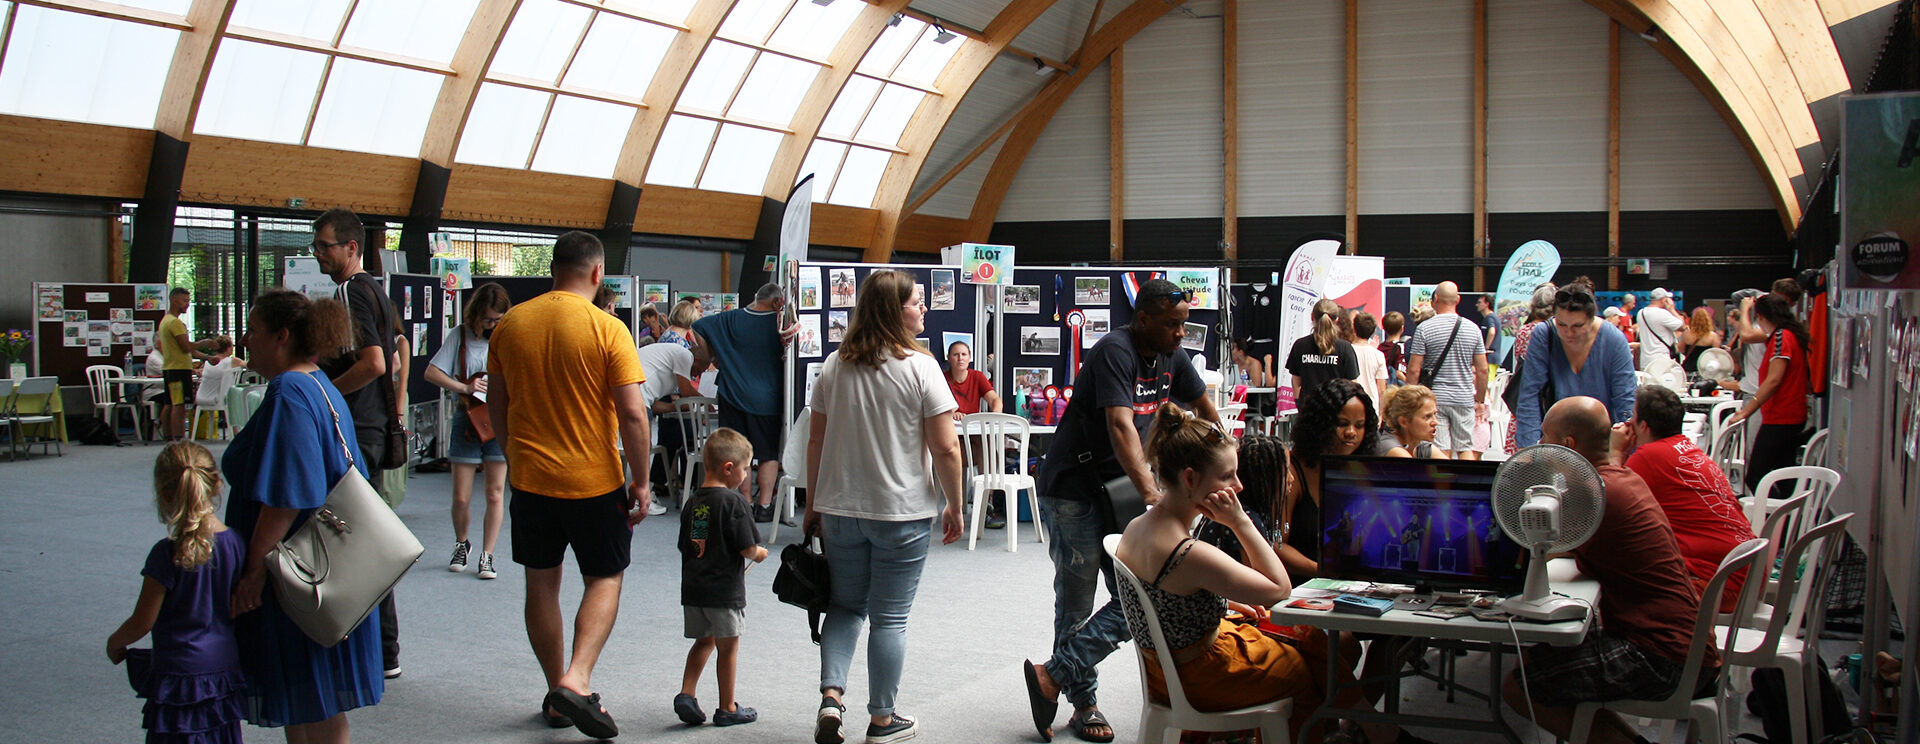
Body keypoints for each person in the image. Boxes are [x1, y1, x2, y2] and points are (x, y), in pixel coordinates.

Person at [1114, 403, 1429, 744]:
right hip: (1200, 675)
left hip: (1167, 668)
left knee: (1312, 640)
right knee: (1313, 668)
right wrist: (1241, 522)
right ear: (1190, 478)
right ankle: (1368, 730)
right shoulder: (1190, 553)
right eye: (1227, 477)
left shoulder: (1138, 526)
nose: (1238, 486)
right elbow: (1280, 589)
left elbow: (1170, 600)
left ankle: (1370, 727)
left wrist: (1228, 603)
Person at [1024, 278, 1216, 744]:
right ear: (1143, 318)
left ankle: (1054, 674)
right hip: (1074, 490)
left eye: (1183, 325)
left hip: (1117, 490)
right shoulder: (1115, 350)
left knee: (1139, 596)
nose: (1179, 333)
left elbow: (1203, 406)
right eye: (1171, 325)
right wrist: (1153, 495)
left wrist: (1225, 457)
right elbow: (1120, 424)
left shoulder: (1173, 354)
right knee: (1077, 601)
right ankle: (1083, 703)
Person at [486, 231, 653, 741]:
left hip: (531, 479)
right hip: (593, 480)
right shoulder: (608, 328)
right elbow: (631, 413)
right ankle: (576, 679)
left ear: (553, 270)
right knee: (605, 577)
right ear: (598, 273)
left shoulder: (511, 324)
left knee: (542, 584)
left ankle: (555, 696)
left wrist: (513, 453)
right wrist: (642, 481)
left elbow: (497, 404)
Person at [804, 269, 965, 744]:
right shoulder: (921, 367)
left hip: (839, 509)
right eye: (917, 302)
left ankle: (831, 699)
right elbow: (947, 448)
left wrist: (812, 504)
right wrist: (955, 504)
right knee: (890, 618)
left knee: (845, 606)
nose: (924, 309)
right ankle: (881, 719)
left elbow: (815, 441)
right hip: (901, 514)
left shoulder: (835, 365)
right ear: (895, 311)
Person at [1502, 397, 1712, 744]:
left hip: (1661, 657)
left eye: (1544, 438)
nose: (1539, 446)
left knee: (1522, 684)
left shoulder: (1594, 497)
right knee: (1546, 662)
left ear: (1567, 445)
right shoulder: (1618, 478)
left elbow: (1531, 554)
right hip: (1683, 645)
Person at [224, 288, 383, 741]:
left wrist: (253, 571)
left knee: (309, 691)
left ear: (282, 336)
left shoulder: (290, 391)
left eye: (252, 331)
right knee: (311, 700)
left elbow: (287, 495)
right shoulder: (317, 383)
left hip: (298, 567)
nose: (246, 340)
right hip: (318, 564)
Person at [309, 207, 402, 677]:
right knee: (360, 535)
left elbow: (376, 363)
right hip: (373, 425)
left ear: (351, 247)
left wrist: (325, 394)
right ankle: (381, 650)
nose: (319, 254)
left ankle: (380, 650)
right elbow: (397, 356)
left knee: (355, 539)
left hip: (360, 430)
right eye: (315, 246)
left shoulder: (352, 291)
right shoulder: (376, 290)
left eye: (325, 246)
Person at [106, 441, 246, 744]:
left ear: (164, 494)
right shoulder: (236, 544)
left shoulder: (166, 554)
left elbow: (142, 621)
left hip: (178, 675)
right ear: (216, 484)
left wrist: (115, 642)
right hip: (222, 670)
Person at [1613, 385, 1755, 612]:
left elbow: (1610, 503)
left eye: (1633, 417)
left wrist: (1614, 453)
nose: (1628, 424)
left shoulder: (1649, 455)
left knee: (1617, 584)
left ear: (1644, 426)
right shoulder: (1687, 448)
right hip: (1744, 575)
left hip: (1721, 584)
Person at [674, 428, 769, 727]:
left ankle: (686, 694)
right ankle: (727, 707)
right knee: (728, 649)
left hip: (694, 590)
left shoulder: (693, 503)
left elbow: (686, 545)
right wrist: (759, 553)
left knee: (704, 641)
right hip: (724, 593)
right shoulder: (734, 502)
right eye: (746, 469)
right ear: (729, 468)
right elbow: (746, 547)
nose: (746, 475)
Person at [425, 282, 512, 580]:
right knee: (461, 496)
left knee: (495, 492)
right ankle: (462, 543)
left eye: (497, 321)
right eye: (487, 319)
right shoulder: (459, 336)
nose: (491, 326)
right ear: (475, 315)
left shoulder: (506, 339)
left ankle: (488, 554)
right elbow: (431, 371)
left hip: (499, 419)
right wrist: (464, 386)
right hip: (467, 418)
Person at [694, 283, 796, 523]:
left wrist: (711, 355)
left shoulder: (728, 319)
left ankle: (745, 502)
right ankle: (765, 507)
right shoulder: (779, 325)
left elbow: (697, 327)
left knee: (740, 454)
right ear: (776, 303)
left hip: (732, 395)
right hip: (768, 399)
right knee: (769, 454)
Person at [1514, 282, 1637, 448]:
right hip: (1554, 441)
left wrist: (1625, 448)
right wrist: (1529, 448)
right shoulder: (1544, 334)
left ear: (1592, 318)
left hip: (1602, 443)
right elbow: (1529, 393)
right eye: (1562, 324)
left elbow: (1625, 398)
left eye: (1578, 326)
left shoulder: (1614, 339)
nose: (1568, 333)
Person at [1727, 293, 1811, 495]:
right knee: (1784, 474)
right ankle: (1786, 518)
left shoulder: (1782, 337)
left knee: (1756, 475)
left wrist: (1747, 410)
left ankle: (1774, 515)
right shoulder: (1785, 335)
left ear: (1761, 317)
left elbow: (1774, 380)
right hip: (1788, 414)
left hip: (1782, 415)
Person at [1405, 282, 1488, 459]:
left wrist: (1408, 398)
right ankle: (1466, 484)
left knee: (1440, 448)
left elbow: (1413, 370)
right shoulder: (1473, 329)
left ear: (1435, 299)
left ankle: (1442, 484)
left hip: (1435, 398)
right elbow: (1482, 370)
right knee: (1465, 446)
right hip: (1464, 397)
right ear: (1458, 299)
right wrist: (1479, 399)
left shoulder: (1424, 329)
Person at [640, 326, 710, 515]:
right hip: (636, 396)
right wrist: (707, 402)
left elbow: (655, 406)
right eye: (697, 371)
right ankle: (642, 497)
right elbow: (687, 392)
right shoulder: (684, 356)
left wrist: (675, 407)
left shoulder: (669, 370)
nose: (695, 376)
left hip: (639, 396)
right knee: (641, 449)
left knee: (641, 449)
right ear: (694, 360)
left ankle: (645, 492)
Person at [946, 340, 1006, 527]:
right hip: (953, 440)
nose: (960, 358)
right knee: (979, 449)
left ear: (970, 358)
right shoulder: (942, 379)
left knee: (988, 447)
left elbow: (995, 399)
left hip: (975, 439)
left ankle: (986, 505)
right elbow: (934, 408)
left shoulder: (977, 377)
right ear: (949, 358)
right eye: (956, 354)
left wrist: (995, 415)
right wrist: (950, 412)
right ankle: (958, 506)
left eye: (964, 354)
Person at [1504, 283, 1557, 453]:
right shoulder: (1558, 331)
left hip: (1526, 395)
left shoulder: (1524, 331)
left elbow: (1519, 360)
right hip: (1552, 396)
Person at [157, 288, 214, 441]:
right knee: (179, 405)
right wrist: (204, 342)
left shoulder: (165, 320)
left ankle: (168, 436)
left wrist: (207, 357)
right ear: (175, 301)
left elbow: (187, 350)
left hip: (170, 368)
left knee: (170, 403)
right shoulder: (175, 323)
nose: (187, 305)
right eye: (185, 301)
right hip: (179, 369)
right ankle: (179, 438)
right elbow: (187, 347)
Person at [1286, 298, 1359, 399]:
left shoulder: (1300, 345)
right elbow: (1352, 384)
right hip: (1337, 407)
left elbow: (1296, 383)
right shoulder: (1345, 348)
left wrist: (1301, 404)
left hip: (1309, 408)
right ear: (1336, 320)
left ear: (1312, 317)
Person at [191, 336, 246, 432]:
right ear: (228, 348)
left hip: (201, 397)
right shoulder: (232, 361)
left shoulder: (208, 362)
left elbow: (202, 371)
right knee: (237, 394)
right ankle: (236, 430)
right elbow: (248, 365)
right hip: (221, 398)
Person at [1378, 384, 1448, 459]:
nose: (1435, 422)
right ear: (1404, 422)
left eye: (1435, 414)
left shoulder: (1421, 446)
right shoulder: (1392, 448)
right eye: (1427, 417)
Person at [1346, 312, 1388, 420]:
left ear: (1354, 328)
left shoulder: (1345, 351)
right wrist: (1382, 413)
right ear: (1373, 331)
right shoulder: (1378, 355)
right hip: (1372, 405)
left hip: (1349, 403)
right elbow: (1382, 389)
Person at [1636, 288, 1686, 370]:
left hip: (1645, 361)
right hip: (1661, 360)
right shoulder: (1662, 313)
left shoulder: (1641, 313)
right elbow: (1682, 327)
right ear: (1663, 300)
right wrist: (1672, 309)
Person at [1678, 307, 1721, 375]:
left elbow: (1680, 349)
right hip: (1705, 369)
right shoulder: (1713, 336)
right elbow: (1716, 354)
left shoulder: (1686, 334)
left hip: (1689, 368)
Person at [1379, 311, 1407, 386]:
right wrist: (1411, 383)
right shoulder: (1400, 347)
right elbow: (1399, 373)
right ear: (1402, 328)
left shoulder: (1380, 347)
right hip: (1396, 387)